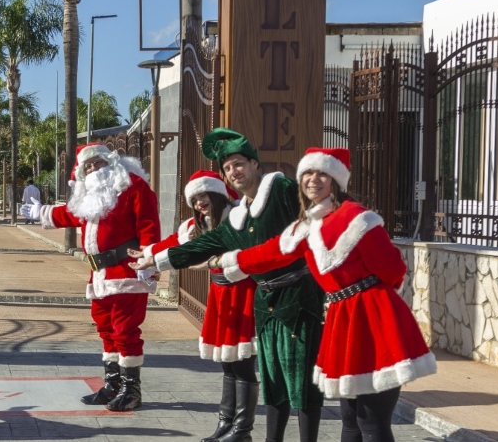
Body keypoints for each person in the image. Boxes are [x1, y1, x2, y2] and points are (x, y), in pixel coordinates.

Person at [217, 147, 436, 442]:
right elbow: (271, 253)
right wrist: (232, 260)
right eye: (307, 173)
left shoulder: (359, 219)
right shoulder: (308, 225)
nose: (313, 179)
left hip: (374, 320)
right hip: (343, 320)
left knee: (371, 422)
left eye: (322, 173)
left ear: (337, 180)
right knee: (349, 419)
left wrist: (369, 299)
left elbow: (393, 269)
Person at [144, 128, 325, 442]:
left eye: (239, 164)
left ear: (255, 164)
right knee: (273, 382)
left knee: (302, 382)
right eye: (227, 168)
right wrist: (157, 260)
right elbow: (205, 243)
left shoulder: (280, 186)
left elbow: (311, 215)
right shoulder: (238, 218)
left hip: (299, 297)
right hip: (265, 303)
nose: (234, 172)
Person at [20, 142, 161, 412]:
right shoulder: (92, 195)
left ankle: (132, 391)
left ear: (111, 162)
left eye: (98, 162)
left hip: (127, 272)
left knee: (126, 331)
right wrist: (42, 212)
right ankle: (112, 385)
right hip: (98, 274)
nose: (94, 168)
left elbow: (149, 225)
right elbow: (71, 214)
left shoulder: (133, 186)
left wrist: (148, 261)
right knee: (106, 329)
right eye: (89, 165)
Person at [130, 170, 258, 442]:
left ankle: (242, 430)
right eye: (196, 198)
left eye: (204, 196)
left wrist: (155, 259)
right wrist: (148, 253)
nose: (200, 202)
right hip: (221, 294)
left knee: (243, 364)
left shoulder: (238, 216)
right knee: (227, 363)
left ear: (217, 193)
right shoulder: (198, 225)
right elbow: (177, 243)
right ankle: (226, 424)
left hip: (244, 292)